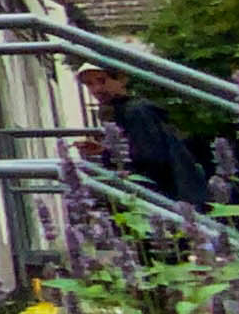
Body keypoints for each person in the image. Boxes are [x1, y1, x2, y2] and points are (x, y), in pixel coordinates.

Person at [79, 62, 213, 212]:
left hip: (167, 194)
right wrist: (106, 150)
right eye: (89, 84)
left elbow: (151, 157)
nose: (97, 89)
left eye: (102, 81)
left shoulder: (136, 111)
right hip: (169, 195)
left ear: (121, 79)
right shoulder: (126, 110)